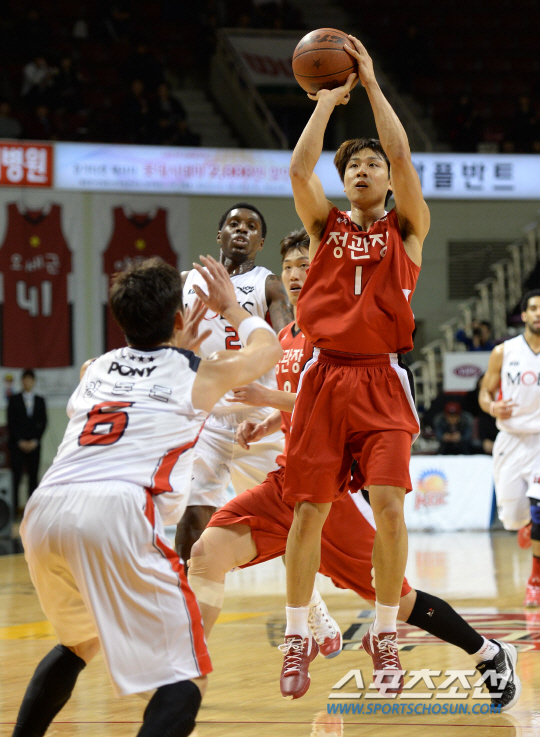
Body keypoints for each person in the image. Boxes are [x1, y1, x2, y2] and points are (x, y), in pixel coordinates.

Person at [189, 228, 520, 711]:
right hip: (287, 481)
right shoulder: (284, 337)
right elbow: (302, 407)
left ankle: (488, 652)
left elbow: (328, 401)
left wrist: (267, 397)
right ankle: (184, 676)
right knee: (206, 554)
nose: (296, 275)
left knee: (399, 600)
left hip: (330, 495)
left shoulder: (339, 336)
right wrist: (268, 421)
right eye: (289, 267)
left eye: (306, 265)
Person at [14, 256, 282, 737]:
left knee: (78, 644)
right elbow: (268, 351)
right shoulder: (198, 373)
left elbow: (140, 375)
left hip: (44, 509)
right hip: (116, 510)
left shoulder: (95, 368)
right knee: (186, 678)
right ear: (179, 319)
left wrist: (172, 344)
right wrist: (230, 306)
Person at [279, 35, 430, 699]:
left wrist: (368, 84)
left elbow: (402, 151)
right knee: (309, 511)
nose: (365, 170)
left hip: (380, 378)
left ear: (388, 179)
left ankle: (386, 635)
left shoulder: (407, 229)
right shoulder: (325, 228)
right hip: (325, 376)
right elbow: (298, 171)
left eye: (373, 164)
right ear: (344, 182)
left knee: (390, 508)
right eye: (355, 166)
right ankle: (296, 637)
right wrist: (324, 101)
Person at [176, 203, 293, 563]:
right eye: (234, 223)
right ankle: (187, 588)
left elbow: (288, 343)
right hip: (210, 415)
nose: (242, 229)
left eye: (251, 226)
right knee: (194, 506)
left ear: (261, 243)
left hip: (258, 416)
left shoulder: (268, 284)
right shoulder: (187, 282)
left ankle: (308, 595)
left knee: (290, 517)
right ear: (219, 235)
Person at [480, 289, 540, 608]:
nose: (539, 313)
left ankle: (535, 581)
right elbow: (484, 392)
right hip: (511, 440)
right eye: (534, 308)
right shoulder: (504, 352)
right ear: (524, 315)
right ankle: (525, 524)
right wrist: (492, 407)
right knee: (514, 517)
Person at [7, 369, 47, 514]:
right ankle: (13, 512)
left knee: (33, 478)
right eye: (25, 380)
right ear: (22, 381)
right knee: (16, 479)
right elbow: (11, 423)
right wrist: (20, 441)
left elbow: (44, 423)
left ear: (33, 382)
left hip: (34, 446)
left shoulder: (40, 400)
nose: (27, 382)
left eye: (30, 380)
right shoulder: (14, 399)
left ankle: (32, 512)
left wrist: (35, 441)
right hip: (17, 446)